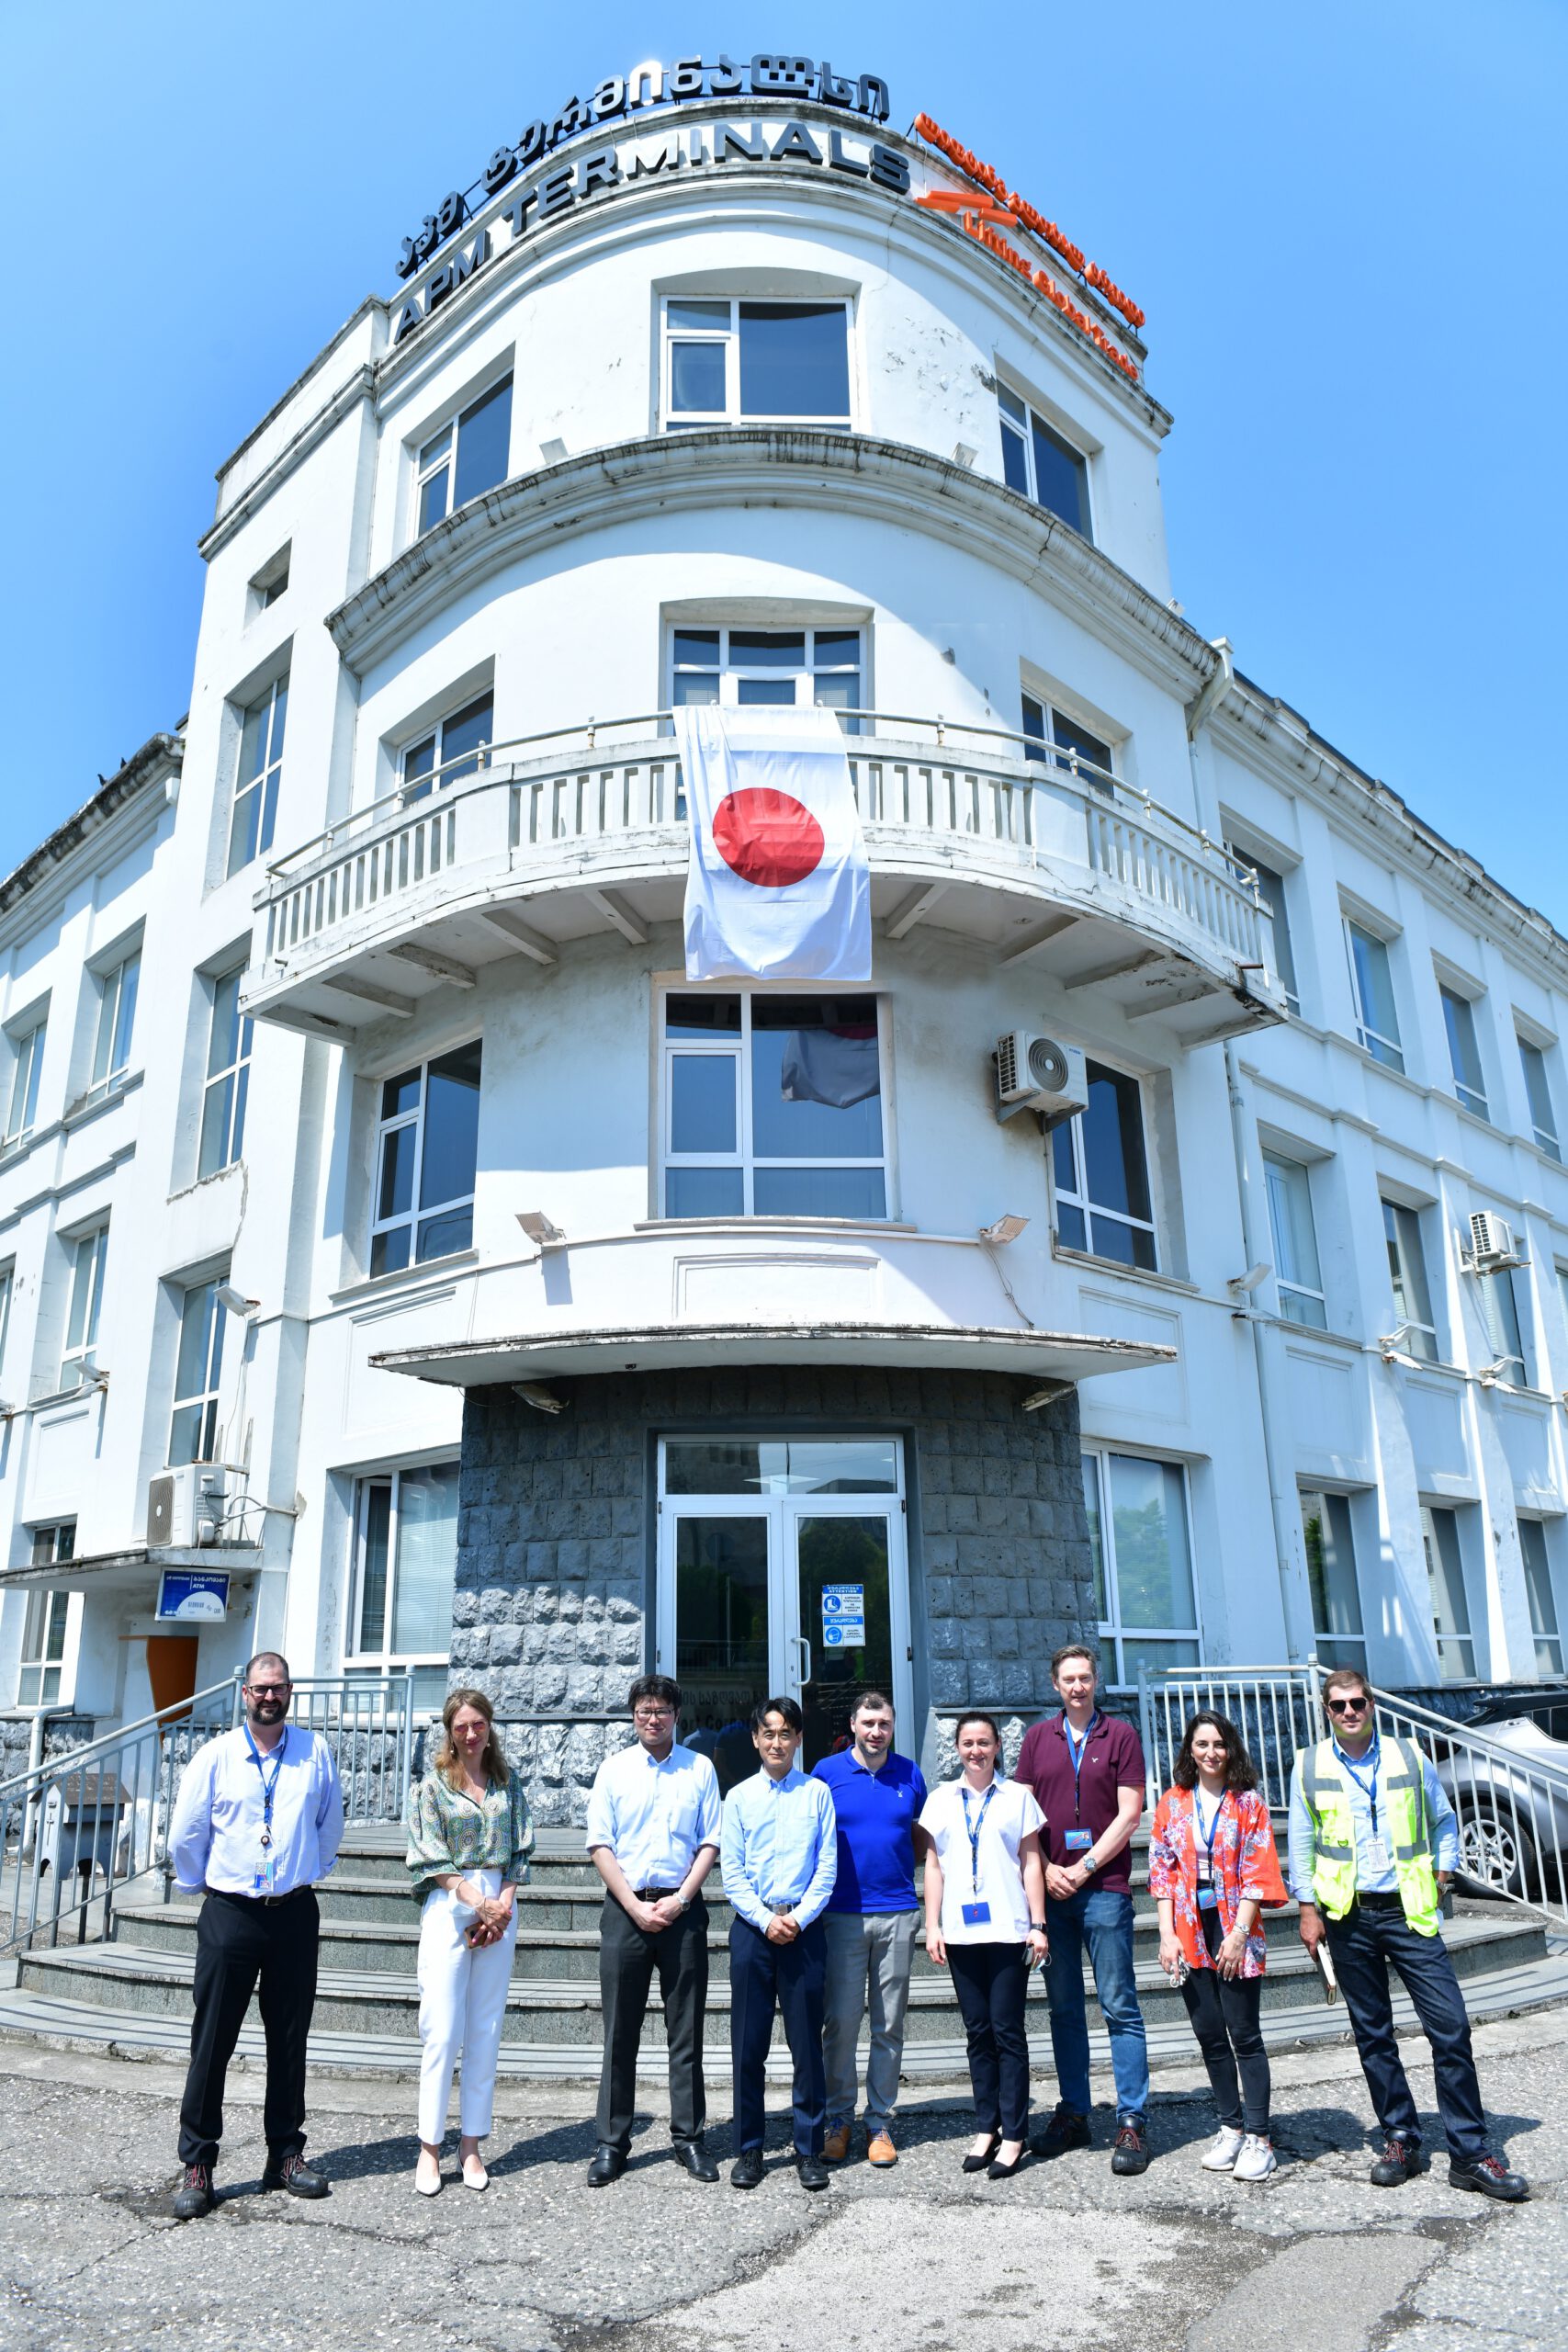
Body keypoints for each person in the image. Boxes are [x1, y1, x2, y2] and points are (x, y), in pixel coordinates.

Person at [1289, 1666, 1529, 2201]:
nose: (1349, 1712)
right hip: (1347, 1914)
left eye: (1357, 1702)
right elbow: (1302, 1844)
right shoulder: (1308, 1764)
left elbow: (1444, 1821)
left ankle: (1469, 2152)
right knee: (1373, 2034)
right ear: (1326, 1711)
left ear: (1371, 1704)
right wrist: (1308, 1909)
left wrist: (1444, 1870)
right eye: (1338, 1705)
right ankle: (1400, 2137)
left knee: (1450, 2026)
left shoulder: (1408, 1754)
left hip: (1408, 1910)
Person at [166, 1650, 344, 2219]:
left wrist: (301, 1873)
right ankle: (198, 2163)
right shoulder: (215, 1756)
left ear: (290, 1692)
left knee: (289, 2040)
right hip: (231, 1916)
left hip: (292, 1912)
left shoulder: (314, 1752)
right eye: (261, 1688)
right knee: (212, 2040)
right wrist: (209, 1890)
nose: (270, 1697)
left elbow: (329, 1824)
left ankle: (285, 2155)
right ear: (244, 1692)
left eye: (280, 1688)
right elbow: (187, 1834)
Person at [1013, 1643, 1152, 2171]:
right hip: (1051, 1893)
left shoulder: (1120, 1736)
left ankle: (1131, 2122)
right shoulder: (1035, 1739)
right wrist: (1047, 1869)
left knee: (1119, 2006)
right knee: (1065, 2009)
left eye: (1086, 1678)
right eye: (1068, 1679)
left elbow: (1130, 1814)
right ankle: (1073, 2113)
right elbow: (1022, 1814)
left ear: (1096, 1682)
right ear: (1055, 1685)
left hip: (1104, 1890)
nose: (1078, 1687)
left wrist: (1084, 1867)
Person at [583, 1674, 723, 2185]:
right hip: (627, 1913)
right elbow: (600, 1844)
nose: (653, 1718)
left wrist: (681, 1899)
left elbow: (711, 1841)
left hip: (682, 1913)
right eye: (644, 1710)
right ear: (633, 1716)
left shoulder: (700, 1768)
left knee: (685, 2033)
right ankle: (611, 2143)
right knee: (619, 2033)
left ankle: (689, 2138)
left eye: (662, 1710)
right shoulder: (615, 1770)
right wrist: (635, 1908)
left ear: (676, 1716)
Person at [405, 1686, 535, 2194]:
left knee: (485, 2027)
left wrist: (500, 1905)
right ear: (449, 1732)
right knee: (441, 2029)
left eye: (478, 1724)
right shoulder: (432, 1787)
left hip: (500, 1902)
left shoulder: (508, 1782)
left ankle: (472, 2145)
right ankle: (429, 2148)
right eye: (461, 1726)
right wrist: (474, 1901)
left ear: (489, 1726)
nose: (471, 1733)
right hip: (451, 1903)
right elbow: (429, 1856)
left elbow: (521, 1850)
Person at [1150, 1711, 1288, 2181]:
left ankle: (1260, 2137)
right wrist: (1166, 1935)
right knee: (1209, 2033)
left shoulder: (1249, 1804)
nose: (1211, 1753)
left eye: (1219, 1744)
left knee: (1243, 2034)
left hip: (1234, 1928)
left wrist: (1239, 1935)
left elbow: (1259, 1871)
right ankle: (1230, 2127)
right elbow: (1163, 1873)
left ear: (1231, 1749)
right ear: (1190, 1749)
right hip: (1189, 1929)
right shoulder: (1173, 1803)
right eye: (1202, 1744)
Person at [919, 1712, 1049, 2178]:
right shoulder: (940, 1800)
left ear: (998, 1747)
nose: (975, 1751)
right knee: (977, 2032)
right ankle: (986, 2126)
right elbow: (934, 1866)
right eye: (967, 1743)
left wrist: (1038, 1924)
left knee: (1007, 2032)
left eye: (984, 1743)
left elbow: (1031, 1862)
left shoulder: (1018, 1798)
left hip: (1009, 1929)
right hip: (960, 1932)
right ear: (956, 1748)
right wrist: (932, 1925)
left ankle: (1014, 2134)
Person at [721, 1695, 837, 2190]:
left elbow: (827, 1868)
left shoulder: (817, 1795)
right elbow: (731, 1873)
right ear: (755, 1739)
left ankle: (808, 2149)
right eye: (767, 1733)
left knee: (807, 2046)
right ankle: (749, 2149)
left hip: (805, 1932)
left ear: (797, 1739)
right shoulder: (739, 1798)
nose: (776, 1742)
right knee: (749, 2046)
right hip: (753, 1932)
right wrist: (766, 1920)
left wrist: (799, 1918)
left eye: (785, 1733)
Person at [812, 1689, 929, 2167]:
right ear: (854, 1726)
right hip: (841, 1915)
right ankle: (839, 2117)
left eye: (883, 1723)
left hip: (898, 1912)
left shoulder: (910, 1773)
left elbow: (920, 1838)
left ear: (892, 1727)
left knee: (889, 2024)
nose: (876, 1731)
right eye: (868, 1723)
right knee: (840, 2022)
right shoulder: (827, 1773)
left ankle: (879, 2120)